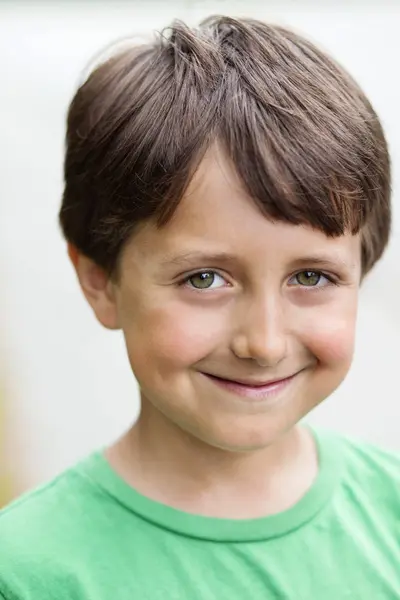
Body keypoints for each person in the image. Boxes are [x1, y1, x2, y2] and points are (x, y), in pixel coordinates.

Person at [0, 15, 398, 599]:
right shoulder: (27, 571)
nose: (263, 343)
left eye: (311, 276)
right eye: (205, 278)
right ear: (100, 282)